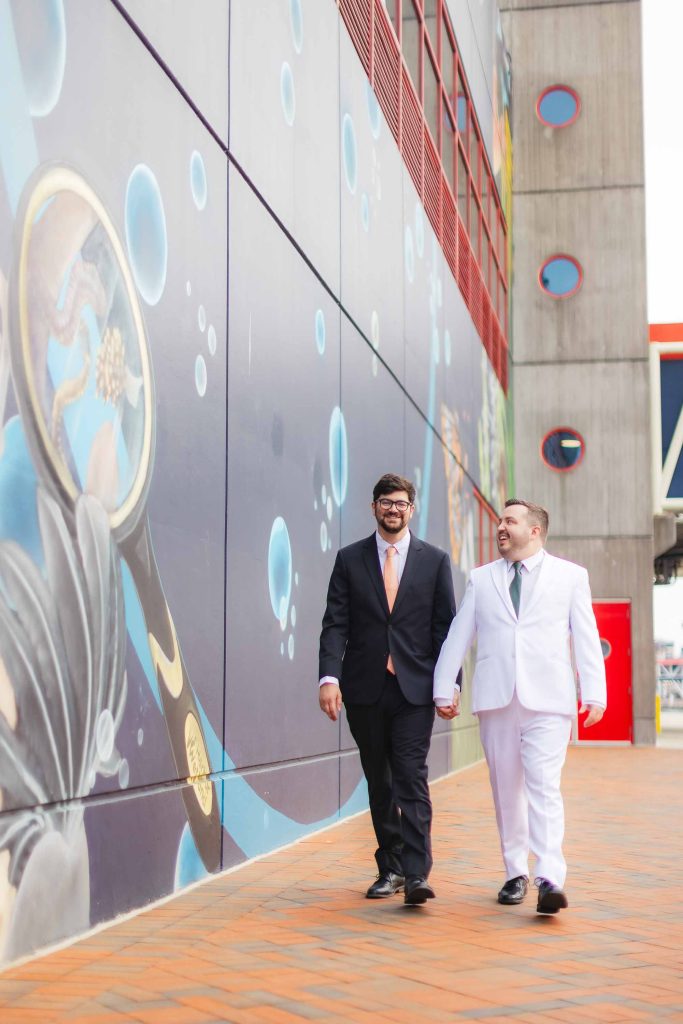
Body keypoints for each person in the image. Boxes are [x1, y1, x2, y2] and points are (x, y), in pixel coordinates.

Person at [433, 499, 606, 915]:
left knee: (544, 785)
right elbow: (460, 635)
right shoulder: (481, 579)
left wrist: (594, 691)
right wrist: (443, 687)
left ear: (535, 530)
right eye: (499, 521)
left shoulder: (570, 577)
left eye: (509, 521)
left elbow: (586, 634)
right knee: (506, 790)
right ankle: (515, 873)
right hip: (496, 699)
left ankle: (550, 876)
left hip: (549, 699)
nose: (501, 528)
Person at [319, 473, 456, 905]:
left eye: (400, 503)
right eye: (385, 502)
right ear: (373, 507)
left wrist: (449, 685)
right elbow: (335, 623)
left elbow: (445, 629)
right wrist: (329, 678)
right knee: (380, 781)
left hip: (414, 690)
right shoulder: (349, 559)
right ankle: (390, 868)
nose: (392, 509)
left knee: (411, 778)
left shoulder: (433, 560)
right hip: (364, 690)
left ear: (411, 509)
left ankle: (417, 873)